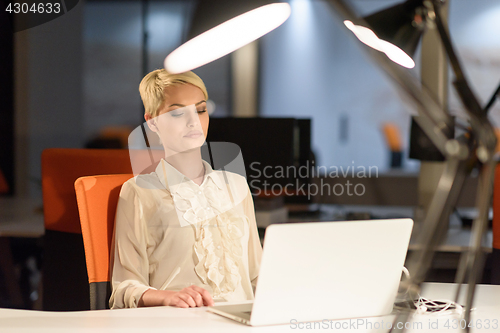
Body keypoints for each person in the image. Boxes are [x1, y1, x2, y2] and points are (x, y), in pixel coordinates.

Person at [109, 69, 262, 309]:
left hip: (243, 321)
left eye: (201, 110)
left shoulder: (236, 185)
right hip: (180, 321)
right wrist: (168, 297)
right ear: (152, 122)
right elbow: (124, 288)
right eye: (178, 113)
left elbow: (256, 275)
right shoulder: (138, 191)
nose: (194, 121)